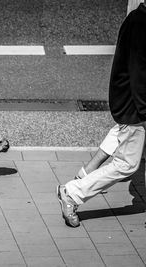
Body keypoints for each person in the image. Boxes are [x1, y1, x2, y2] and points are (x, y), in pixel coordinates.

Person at [57, 2, 146, 227]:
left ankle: (83, 175)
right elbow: (139, 74)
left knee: (123, 147)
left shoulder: (139, 18)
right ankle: (73, 192)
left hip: (132, 105)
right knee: (127, 164)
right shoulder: (141, 23)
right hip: (134, 108)